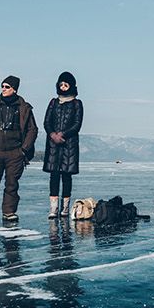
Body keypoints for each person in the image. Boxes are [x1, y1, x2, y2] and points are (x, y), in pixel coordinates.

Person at [0, 75, 37, 226]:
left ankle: (9, 212)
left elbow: (32, 129)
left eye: (7, 87)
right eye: (2, 86)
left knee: (12, 184)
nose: (3, 89)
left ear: (14, 89)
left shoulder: (24, 108)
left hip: (15, 152)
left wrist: (24, 150)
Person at [41, 71, 84, 220]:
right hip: (53, 145)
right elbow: (47, 122)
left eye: (66, 85)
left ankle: (65, 208)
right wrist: (53, 135)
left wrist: (63, 135)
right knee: (54, 176)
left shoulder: (77, 103)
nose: (64, 87)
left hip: (69, 145)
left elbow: (77, 124)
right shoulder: (53, 102)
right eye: (61, 85)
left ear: (71, 86)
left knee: (66, 176)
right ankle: (53, 208)